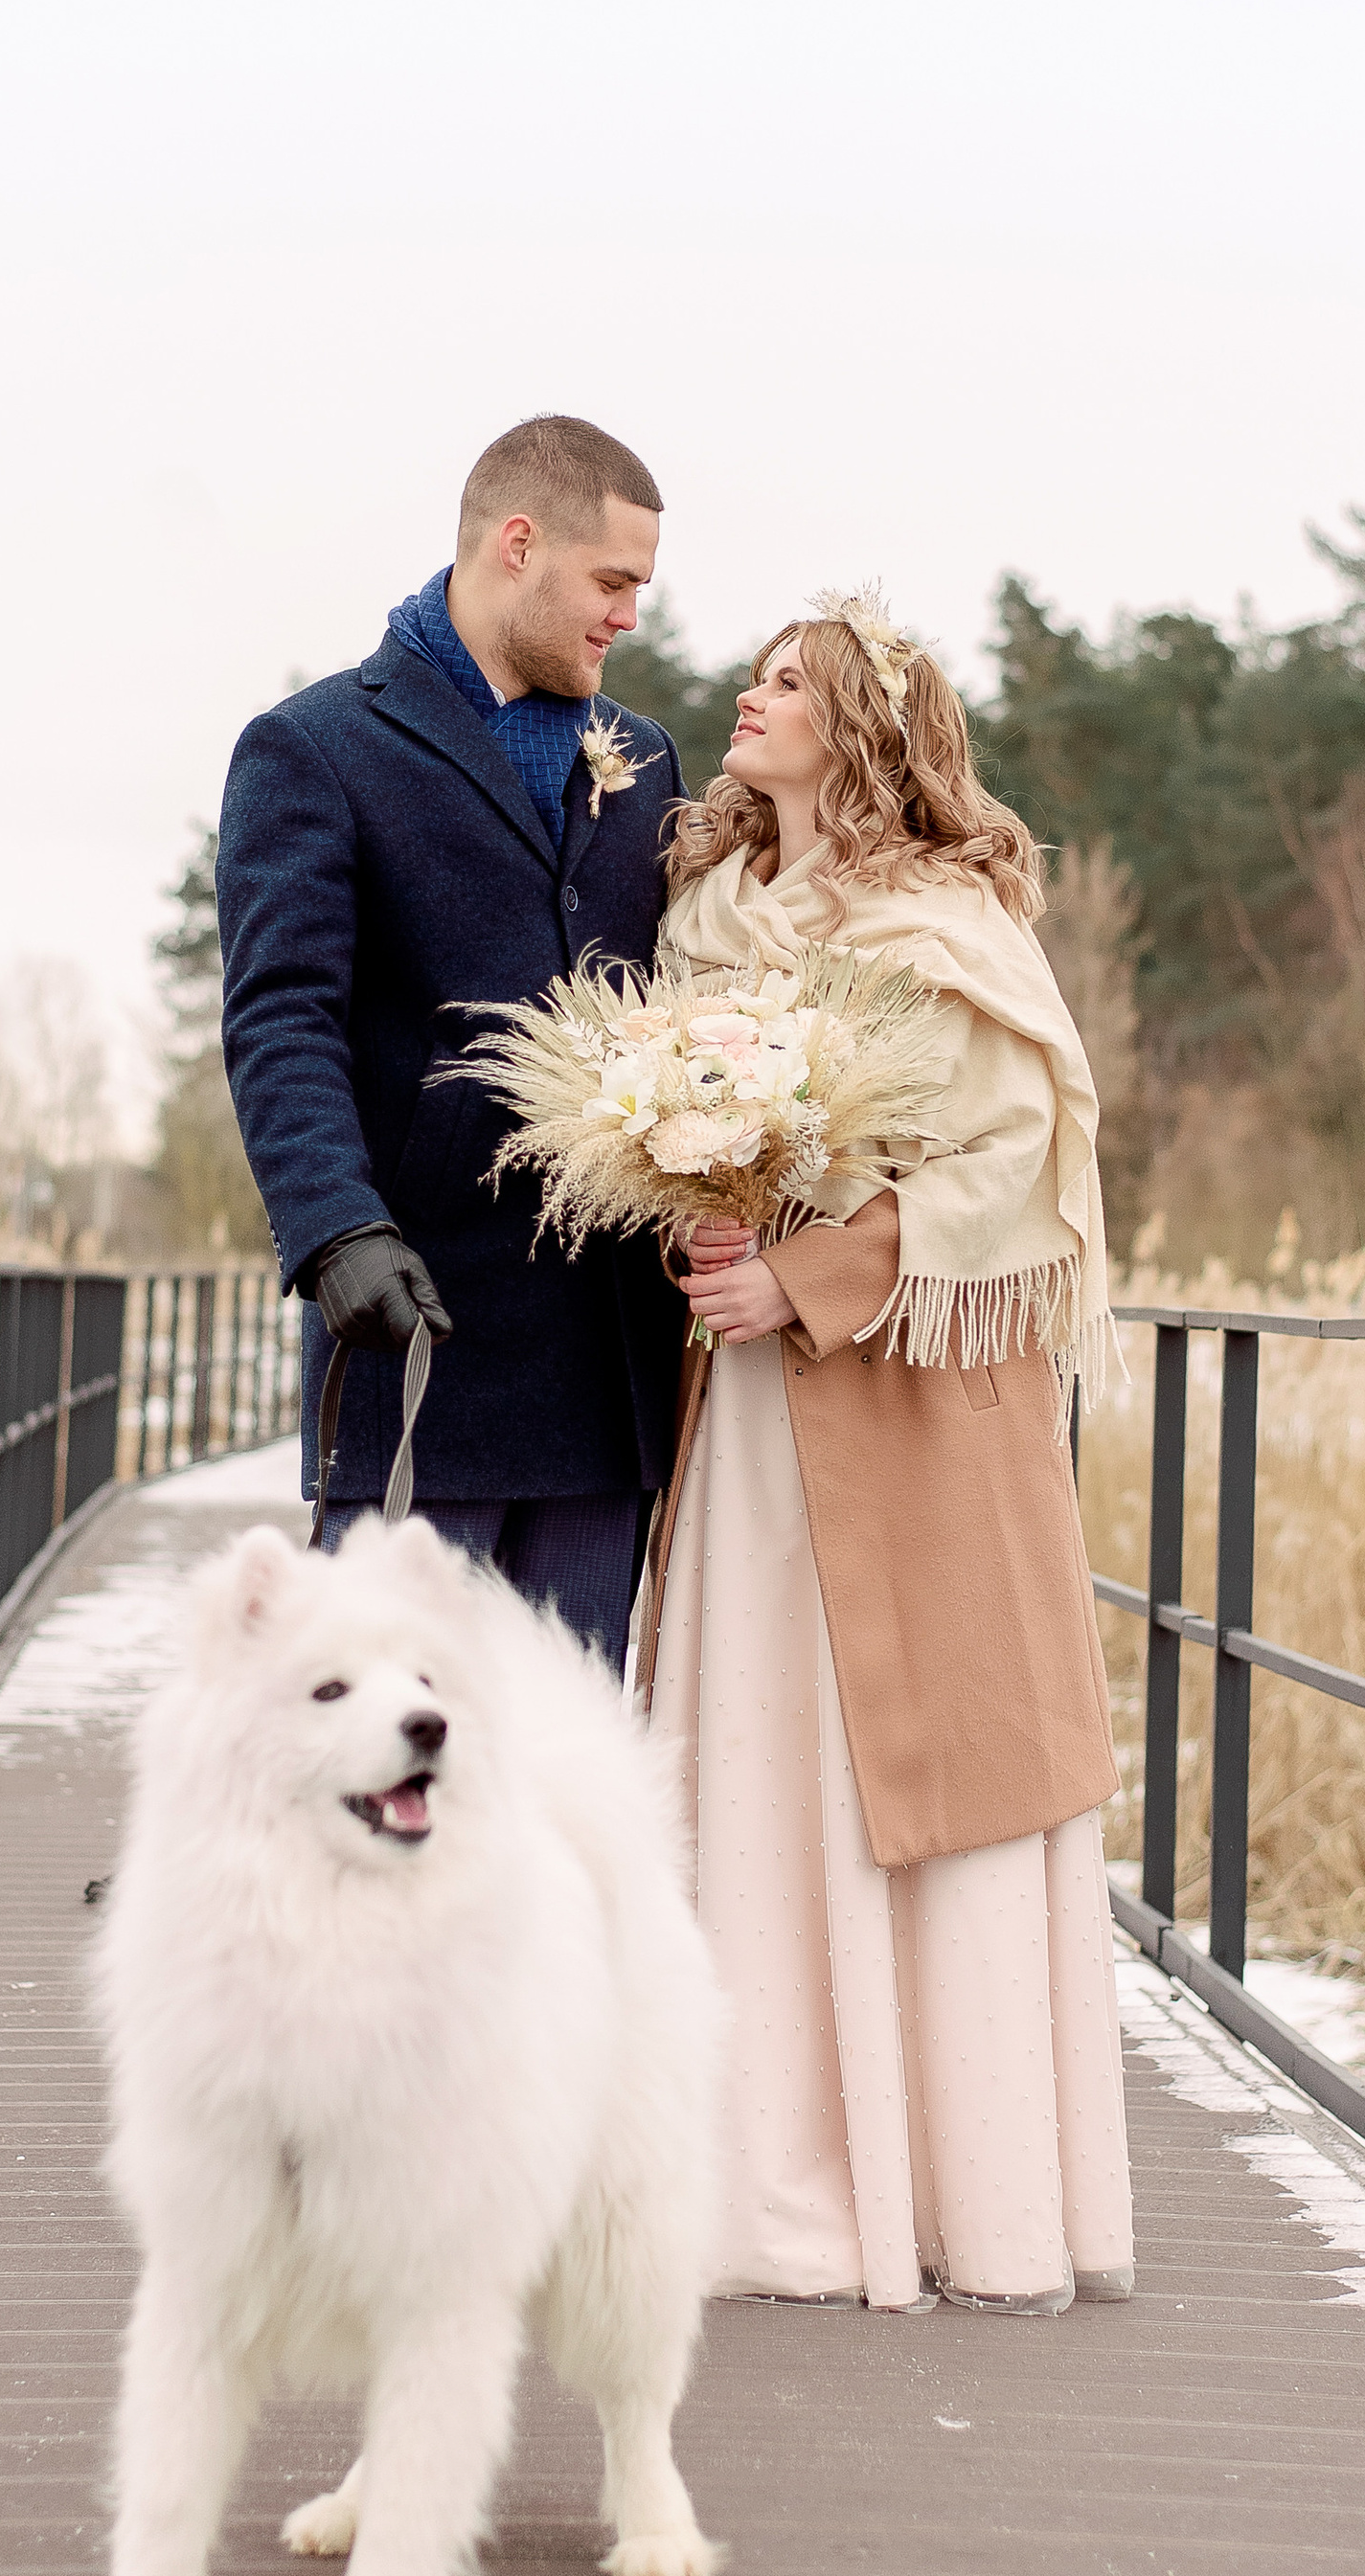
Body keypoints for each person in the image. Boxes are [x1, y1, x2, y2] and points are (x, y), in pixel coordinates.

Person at [637, 590, 1133, 2313]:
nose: (752, 697)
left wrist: (812, 1270)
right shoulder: (702, 918)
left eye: (794, 682)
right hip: (751, 1414)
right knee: (754, 1751)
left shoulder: (945, 926)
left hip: (912, 1409)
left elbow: (1019, 1170)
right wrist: (699, 1219)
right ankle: (759, 2176)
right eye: (756, 674)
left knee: (913, 1766)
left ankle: (954, 2190)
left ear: (861, 732)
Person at [216, 414, 689, 1665]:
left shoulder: (645, 757)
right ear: (516, 544)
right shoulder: (315, 747)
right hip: (419, 1329)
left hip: (609, 1355)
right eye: (613, 581)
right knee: (381, 1738)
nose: (629, 616)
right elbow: (282, 1014)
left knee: (563, 1754)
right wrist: (335, 1227)